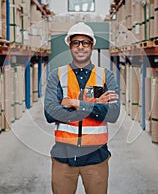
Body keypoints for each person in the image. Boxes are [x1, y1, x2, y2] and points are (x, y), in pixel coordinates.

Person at [44, 22, 120, 194]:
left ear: (92, 46)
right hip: (63, 157)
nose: (80, 47)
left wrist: (76, 103)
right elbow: (50, 113)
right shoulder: (56, 76)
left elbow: (113, 113)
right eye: (75, 42)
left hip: (96, 158)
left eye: (85, 42)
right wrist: (95, 107)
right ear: (69, 46)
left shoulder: (105, 76)